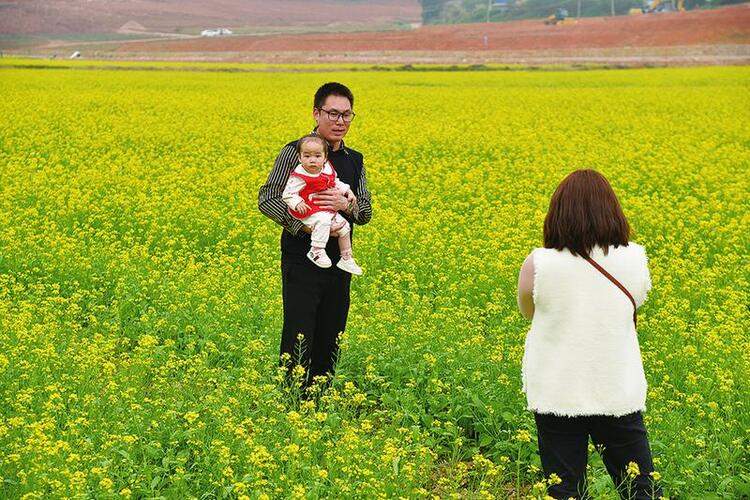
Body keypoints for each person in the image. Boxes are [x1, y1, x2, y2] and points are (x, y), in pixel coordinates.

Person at [517, 170, 661, 499]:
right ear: (612, 210)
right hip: (616, 390)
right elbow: (633, 303)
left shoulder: (538, 263)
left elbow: (529, 312)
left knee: (565, 490)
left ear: (558, 213)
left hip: (558, 391)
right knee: (642, 489)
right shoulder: (635, 259)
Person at [258, 82, 372, 389]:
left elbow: (365, 213)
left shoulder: (354, 160)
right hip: (300, 261)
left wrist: (346, 204)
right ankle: (290, 399)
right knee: (298, 332)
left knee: (332, 333)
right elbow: (268, 198)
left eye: (347, 115)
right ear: (316, 113)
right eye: (333, 113)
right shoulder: (295, 152)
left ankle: (319, 398)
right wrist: (303, 227)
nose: (340, 122)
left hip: (339, 263)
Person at [282, 133, 363, 275]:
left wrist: (348, 191)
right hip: (308, 209)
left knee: (345, 227)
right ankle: (316, 250)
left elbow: (335, 182)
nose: (312, 160)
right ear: (299, 158)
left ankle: (346, 258)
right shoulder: (300, 175)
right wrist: (297, 203)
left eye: (317, 156)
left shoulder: (327, 169)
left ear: (325, 158)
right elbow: (288, 194)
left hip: (323, 210)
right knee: (324, 221)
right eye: (307, 156)